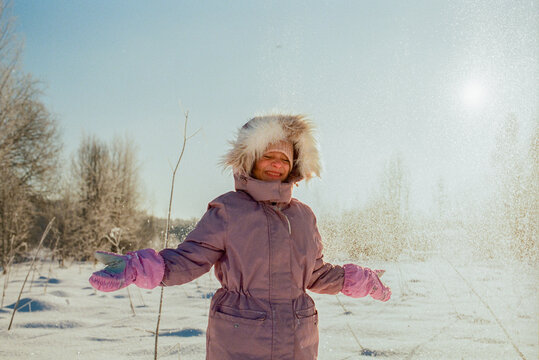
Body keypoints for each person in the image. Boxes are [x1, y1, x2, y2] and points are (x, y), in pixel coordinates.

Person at [89, 114, 391, 360]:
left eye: (284, 159)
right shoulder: (229, 211)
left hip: (299, 339)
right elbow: (190, 259)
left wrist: (360, 280)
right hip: (241, 339)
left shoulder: (304, 216)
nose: (277, 164)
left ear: (294, 166)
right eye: (268, 156)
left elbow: (314, 274)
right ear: (250, 160)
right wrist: (138, 268)